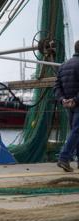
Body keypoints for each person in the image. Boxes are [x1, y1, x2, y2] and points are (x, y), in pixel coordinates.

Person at [54, 40, 79, 172]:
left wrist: (63, 99)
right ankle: (64, 158)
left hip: (68, 105)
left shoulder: (63, 66)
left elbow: (57, 86)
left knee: (76, 132)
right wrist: (75, 100)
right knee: (76, 131)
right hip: (76, 103)